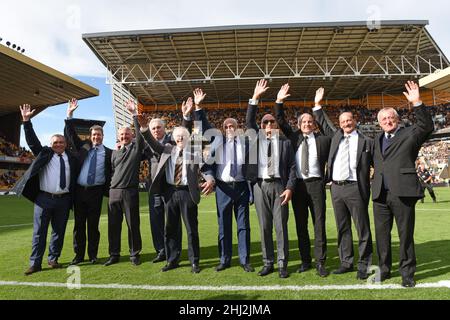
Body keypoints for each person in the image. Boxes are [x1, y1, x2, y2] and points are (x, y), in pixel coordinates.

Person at [140, 100, 216, 274]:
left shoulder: (194, 151)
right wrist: (144, 129)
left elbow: (205, 169)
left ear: (188, 138)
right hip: (169, 193)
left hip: (187, 193)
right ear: (174, 139)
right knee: (170, 229)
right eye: (177, 137)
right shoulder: (166, 149)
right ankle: (172, 260)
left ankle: (194, 261)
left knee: (191, 229)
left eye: (183, 136)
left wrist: (210, 179)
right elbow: (152, 143)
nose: (180, 138)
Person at [372, 81, 434, 288]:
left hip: (402, 193)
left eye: (391, 118)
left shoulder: (410, 134)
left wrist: (417, 102)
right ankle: (384, 270)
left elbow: (426, 126)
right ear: (379, 123)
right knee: (382, 236)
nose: (388, 121)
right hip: (380, 195)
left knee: (405, 235)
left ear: (397, 120)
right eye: (384, 119)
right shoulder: (376, 140)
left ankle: (407, 273)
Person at [313, 88, 373, 280]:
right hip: (336, 188)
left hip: (356, 187)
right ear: (339, 125)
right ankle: (346, 262)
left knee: (362, 228)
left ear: (354, 121)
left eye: (349, 120)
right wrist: (317, 104)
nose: (346, 123)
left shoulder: (366, 141)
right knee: (342, 227)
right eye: (343, 121)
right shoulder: (336, 136)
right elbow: (322, 121)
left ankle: (364, 265)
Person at [193, 88, 254, 273]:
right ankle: (224, 259)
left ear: (237, 128)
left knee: (243, 226)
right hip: (223, 188)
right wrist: (198, 106)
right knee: (223, 226)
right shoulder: (218, 140)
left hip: (242, 187)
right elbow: (203, 124)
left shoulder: (246, 142)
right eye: (226, 126)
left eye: (232, 126)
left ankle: (244, 260)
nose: (229, 129)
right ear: (223, 129)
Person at [274, 84, 331, 277]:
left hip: (316, 184)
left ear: (314, 124)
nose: (307, 124)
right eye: (303, 121)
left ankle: (320, 262)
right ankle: (306, 261)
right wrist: (279, 101)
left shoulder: (323, 139)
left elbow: (331, 132)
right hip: (297, 186)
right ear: (298, 125)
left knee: (319, 224)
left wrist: (317, 106)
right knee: (301, 225)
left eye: (310, 121)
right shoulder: (293, 137)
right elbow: (280, 120)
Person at [13, 104, 78, 275]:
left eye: (61, 142)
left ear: (66, 143)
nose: (58, 144)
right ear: (50, 145)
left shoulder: (71, 157)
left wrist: (69, 116)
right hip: (43, 199)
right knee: (39, 233)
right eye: (55, 142)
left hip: (64, 200)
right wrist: (26, 121)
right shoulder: (45, 153)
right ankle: (35, 263)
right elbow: (32, 141)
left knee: (59, 232)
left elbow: (72, 135)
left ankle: (53, 259)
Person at [246, 80, 297, 278]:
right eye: (265, 122)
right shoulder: (255, 138)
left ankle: (282, 263)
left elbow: (293, 167)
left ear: (276, 125)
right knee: (265, 226)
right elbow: (249, 122)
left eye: (271, 122)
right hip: (260, 186)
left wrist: (290, 188)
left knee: (280, 227)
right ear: (261, 127)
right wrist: (255, 98)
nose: (268, 125)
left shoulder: (285, 143)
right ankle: (268, 262)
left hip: (279, 187)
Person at [64, 99, 112, 265]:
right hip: (79, 191)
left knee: (93, 225)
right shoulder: (83, 147)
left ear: (103, 136)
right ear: (90, 137)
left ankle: (93, 255)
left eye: (99, 135)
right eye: (94, 135)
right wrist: (70, 114)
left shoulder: (109, 153)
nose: (96, 137)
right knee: (79, 225)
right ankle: (78, 256)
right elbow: (70, 134)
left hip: (96, 192)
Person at [142, 105, 193, 264]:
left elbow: (183, 134)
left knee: (173, 223)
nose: (156, 130)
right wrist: (139, 123)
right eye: (153, 128)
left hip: (171, 188)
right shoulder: (147, 144)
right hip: (156, 189)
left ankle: (175, 253)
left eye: (159, 127)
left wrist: (185, 117)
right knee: (156, 221)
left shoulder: (171, 142)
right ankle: (161, 251)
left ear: (165, 129)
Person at [104, 100, 151, 267]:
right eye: (122, 135)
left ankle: (134, 254)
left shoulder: (136, 149)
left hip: (130, 192)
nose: (124, 136)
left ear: (131, 135)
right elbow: (112, 172)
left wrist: (134, 114)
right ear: (118, 137)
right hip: (114, 193)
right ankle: (114, 254)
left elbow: (140, 135)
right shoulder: (114, 153)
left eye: (127, 134)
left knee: (133, 225)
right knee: (113, 226)